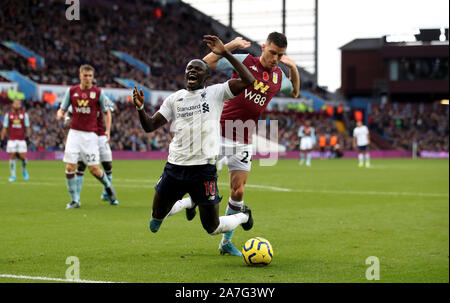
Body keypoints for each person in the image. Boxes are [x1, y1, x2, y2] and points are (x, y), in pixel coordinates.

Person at [172, 32, 300, 256]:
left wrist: (294, 68)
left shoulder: (279, 76)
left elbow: (295, 92)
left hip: (243, 138)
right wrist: (230, 45)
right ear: (263, 47)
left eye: (280, 55)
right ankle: (193, 200)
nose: (275, 59)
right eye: (272, 53)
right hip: (218, 131)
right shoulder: (245, 61)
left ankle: (225, 242)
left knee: (238, 191)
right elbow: (205, 63)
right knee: (197, 177)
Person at [132, 35, 255, 239]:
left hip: (203, 170)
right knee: (155, 220)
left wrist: (225, 52)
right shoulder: (174, 99)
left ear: (206, 76)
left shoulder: (216, 93)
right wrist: (140, 108)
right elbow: (150, 126)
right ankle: (190, 202)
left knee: (212, 227)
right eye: (189, 68)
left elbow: (248, 80)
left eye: (198, 68)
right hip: (174, 168)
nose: (192, 70)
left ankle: (242, 216)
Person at [56, 64, 118, 209]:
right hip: (74, 134)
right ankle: (75, 200)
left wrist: (108, 130)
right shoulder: (71, 91)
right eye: (85, 75)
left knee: (94, 170)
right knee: (70, 167)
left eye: (90, 76)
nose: (88, 78)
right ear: (80, 76)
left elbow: (108, 111)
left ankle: (108, 187)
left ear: (93, 77)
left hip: (91, 136)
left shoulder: (98, 93)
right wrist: (59, 114)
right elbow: (63, 108)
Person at [63, 96, 118, 205]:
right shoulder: (79, 99)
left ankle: (106, 193)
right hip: (85, 136)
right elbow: (68, 112)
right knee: (81, 166)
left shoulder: (101, 97)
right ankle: (76, 199)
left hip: (101, 136)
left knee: (107, 165)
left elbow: (114, 108)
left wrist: (109, 108)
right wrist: (67, 120)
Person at [1, 99, 31, 182]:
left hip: (21, 139)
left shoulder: (24, 115)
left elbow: (27, 127)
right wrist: (2, 139)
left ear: (21, 106)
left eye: (19, 103)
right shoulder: (8, 115)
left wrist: (28, 137)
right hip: (12, 140)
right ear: (12, 105)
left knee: (23, 157)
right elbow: (5, 128)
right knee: (12, 156)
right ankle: (13, 175)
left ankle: (24, 170)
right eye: (16, 103)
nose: (17, 105)